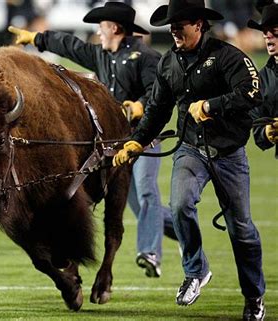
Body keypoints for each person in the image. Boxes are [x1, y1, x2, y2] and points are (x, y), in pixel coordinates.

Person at [112, 0, 266, 320]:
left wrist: (212, 106)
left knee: (242, 230)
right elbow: (156, 110)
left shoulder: (228, 56)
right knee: (181, 204)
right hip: (191, 149)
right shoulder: (169, 63)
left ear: (198, 24)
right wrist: (135, 142)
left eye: (179, 24)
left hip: (228, 153)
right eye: (171, 25)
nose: (173, 31)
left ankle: (254, 296)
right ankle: (195, 271)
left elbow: (253, 93)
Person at [8, 1, 176, 278]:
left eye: (101, 27)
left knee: (146, 192)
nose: (98, 33)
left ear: (115, 28)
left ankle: (150, 253)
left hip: (143, 138)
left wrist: (140, 104)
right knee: (142, 206)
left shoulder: (146, 57)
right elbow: (71, 46)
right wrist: (36, 38)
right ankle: (185, 231)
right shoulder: (101, 54)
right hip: (114, 143)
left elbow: (159, 93)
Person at [248, 3, 278, 154]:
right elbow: (257, 127)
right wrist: (268, 132)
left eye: (275, 31)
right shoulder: (262, 79)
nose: (268, 36)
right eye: (265, 32)